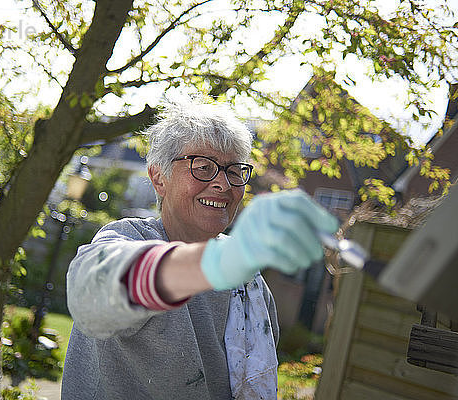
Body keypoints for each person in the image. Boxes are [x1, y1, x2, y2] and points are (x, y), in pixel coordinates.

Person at [61, 96, 338, 400]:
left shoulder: (250, 284)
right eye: (203, 167)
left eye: (234, 171)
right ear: (158, 178)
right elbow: (90, 292)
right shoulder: (129, 237)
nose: (223, 184)